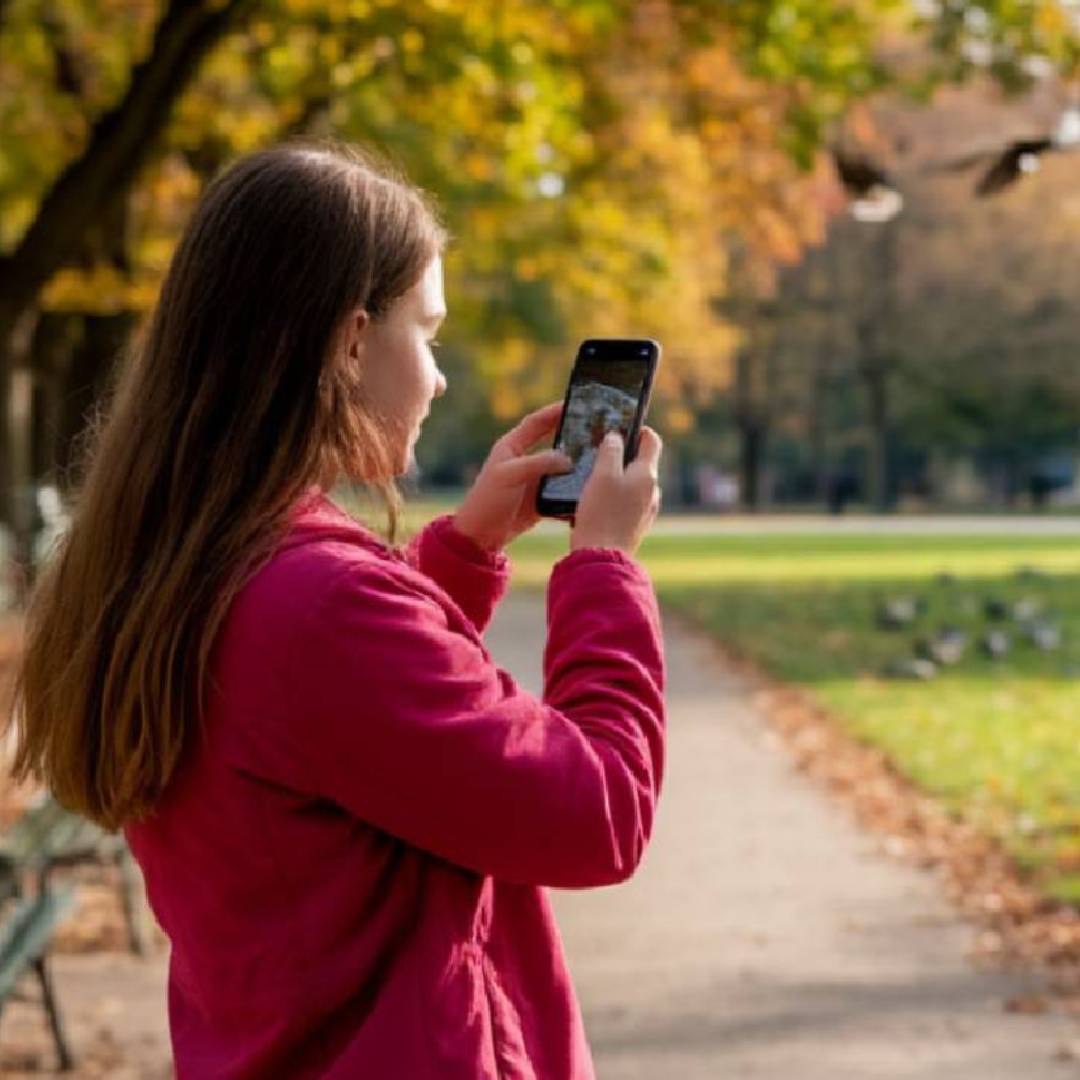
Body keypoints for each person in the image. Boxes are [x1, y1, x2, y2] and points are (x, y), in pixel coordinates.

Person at [6, 138, 666, 1079]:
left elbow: (328, 722)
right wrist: (603, 567)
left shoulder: (191, 556)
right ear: (351, 340)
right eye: (426, 333)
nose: (438, 376)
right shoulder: (323, 604)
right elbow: (599, 813)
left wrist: (464, 551)